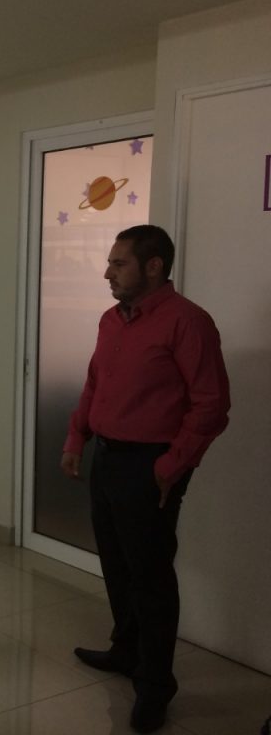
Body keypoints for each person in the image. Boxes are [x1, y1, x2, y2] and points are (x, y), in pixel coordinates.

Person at [61, 225, 230, 734]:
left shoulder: (188, 322)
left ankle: (155, 686)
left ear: (153, 266)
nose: (107, 273)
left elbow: (211, 405)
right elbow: (95, 384)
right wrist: (76, 438)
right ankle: (126, 651)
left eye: (119, 263)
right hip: (108, 458)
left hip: (149, 466)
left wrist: (169, 467)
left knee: (151, 578)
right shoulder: (112, 320)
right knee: (116, 564)